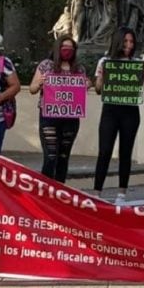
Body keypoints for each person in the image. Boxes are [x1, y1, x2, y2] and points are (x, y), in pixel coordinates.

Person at [93, 27, 144, 203]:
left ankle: (122, 193)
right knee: (105, 151)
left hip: (130, 112)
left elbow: (143, 93)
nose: (129, 45)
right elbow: (98, 89)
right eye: (125, 41)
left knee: (126, 151)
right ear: (118, 41)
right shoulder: (105, 61)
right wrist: (101, 77)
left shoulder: (137, 62)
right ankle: (96, 193)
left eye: (131, 42)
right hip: (110, 111)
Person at [29, 36, 89, 182]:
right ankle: (45, 192)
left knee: (63, 156)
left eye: (71, 48)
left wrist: (87, 84)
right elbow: (32, 89)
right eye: (64, 48)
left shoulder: (79, 69)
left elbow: (82, 89)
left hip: (71, 118)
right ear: (57, 49)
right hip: (49, 117)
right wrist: (40, 83)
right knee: (50, 156)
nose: (67, 51)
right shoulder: (46, 65)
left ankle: (60, 192)